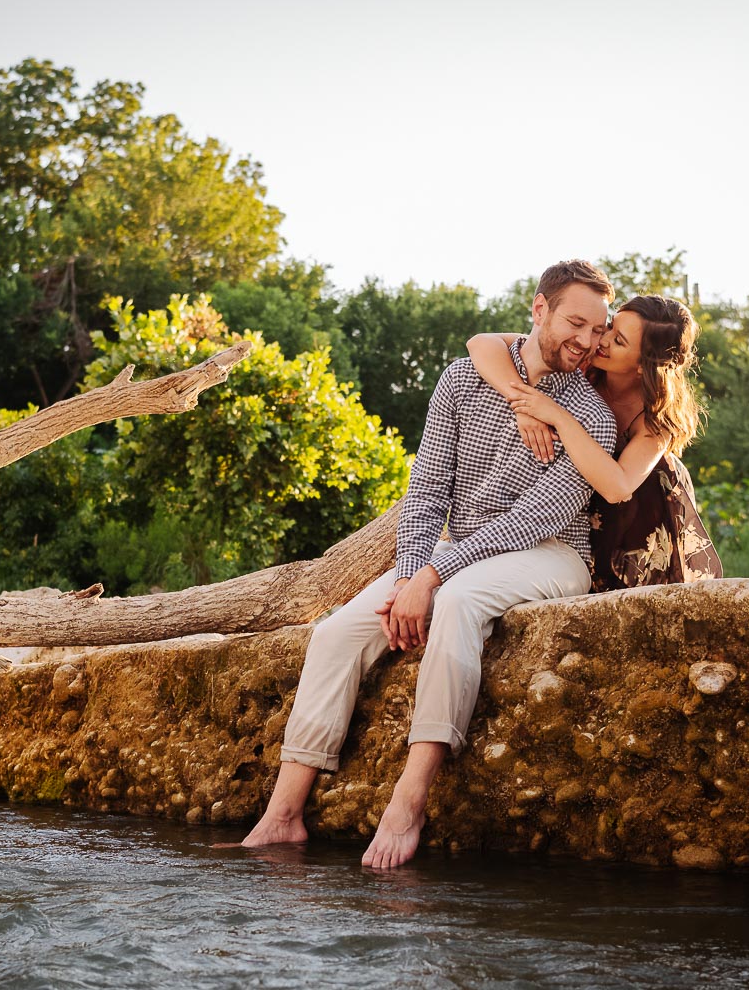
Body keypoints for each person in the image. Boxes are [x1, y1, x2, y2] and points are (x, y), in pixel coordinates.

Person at [241, 259, 618, 867]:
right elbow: (425, 494)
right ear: (539, 309)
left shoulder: (590, 416)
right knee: (337, 632)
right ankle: (283, 814)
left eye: (598, 330)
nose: (587, 341)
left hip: (551, 554)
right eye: (577, 322)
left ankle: (409, 801)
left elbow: (537, 519)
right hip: (458, 551)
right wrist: (416, 571)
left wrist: (433, 581)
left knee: (459, 605)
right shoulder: (463, 379)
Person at [466, 295, 722, 591]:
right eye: (611, 326)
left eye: (620, 341)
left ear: (643, 365)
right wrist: (522, 402)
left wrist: (559, 417)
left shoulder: (655, 420)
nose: (602, 340)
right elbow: (481, 343)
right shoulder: (580, 356)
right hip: (566, 495)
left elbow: (618, 487)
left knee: (658, 470)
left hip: (636, 511)